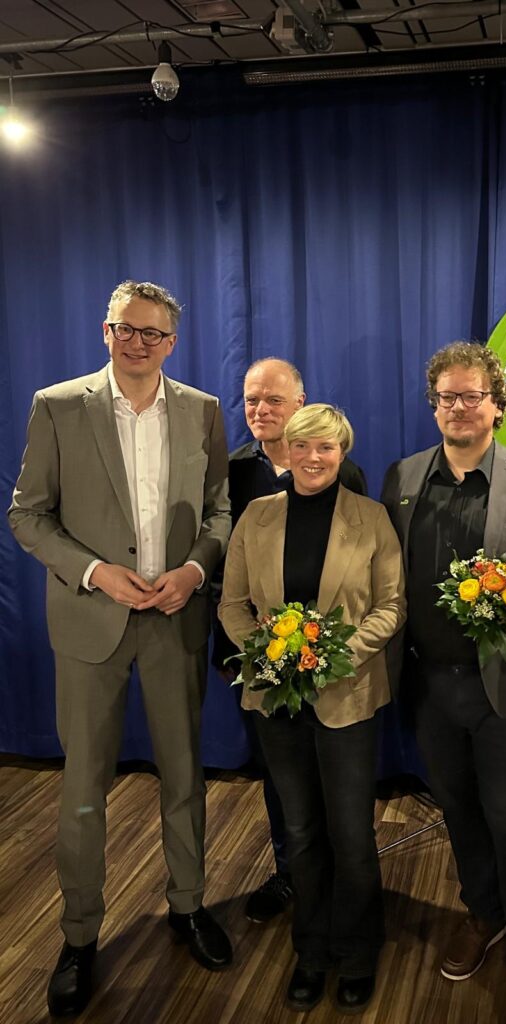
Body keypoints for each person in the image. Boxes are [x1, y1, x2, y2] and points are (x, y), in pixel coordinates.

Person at [8, 281, 233, 1017]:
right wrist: (95, 571)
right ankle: (78, 936)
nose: (138, 343)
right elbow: (28, 516)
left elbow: (220, 510)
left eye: (153, 334)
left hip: (173, 617)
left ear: (173, 342)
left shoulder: (202, 411)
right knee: (81, 792)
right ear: (106, 331)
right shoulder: (58, 404)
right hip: (88, 618)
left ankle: (189, 906)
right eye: (126, 330)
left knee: (182, 775)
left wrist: (197, 569)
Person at [381, 342, 506, 1016]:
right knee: (459, 813)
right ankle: (482, 914)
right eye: (446, 398)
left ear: (497, 405)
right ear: (434, 407)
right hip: (430, 687)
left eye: (471, 396)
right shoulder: (402, 477)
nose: (458, 408)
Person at [219, 403, 405, 1015]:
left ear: (341, 452)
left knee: (351, 833)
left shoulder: (372, 517)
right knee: (299, 831)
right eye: (302, 447)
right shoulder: (256, 515)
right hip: (275, 697)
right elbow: (232, 604)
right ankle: (312, 951)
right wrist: (270, 653)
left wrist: (330, 656)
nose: (313, 458)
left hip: (347, 695)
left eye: (325, 447)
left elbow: (390, 606)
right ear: (287, 453)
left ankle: (356, 952)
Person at [212, 358, 367, 924]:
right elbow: (224, 572)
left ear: (300, 404)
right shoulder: (228, 472)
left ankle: (339, 877)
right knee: (280, 776)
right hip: (260, 658)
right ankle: (290, 871)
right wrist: (257, 652)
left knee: (334, 775)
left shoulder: (343, 474)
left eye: (274, 400)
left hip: (331, 664)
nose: (260, 411)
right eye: (251, 400)